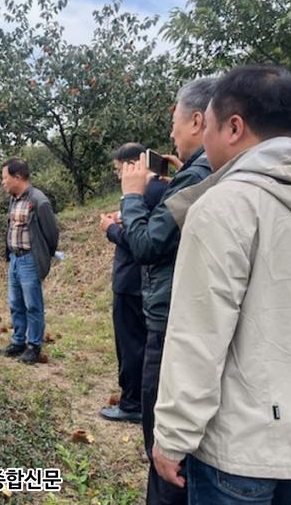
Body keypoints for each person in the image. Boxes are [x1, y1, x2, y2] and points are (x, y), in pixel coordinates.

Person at [152, 65, 291, 504]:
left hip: (239, 449)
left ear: (233, 127)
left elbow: (198, 334)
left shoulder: (225, 205)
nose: (204, 139)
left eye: (208, 125)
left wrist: (173, 435)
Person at [119, 77, 217, 504]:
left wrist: (131, 197)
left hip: (172, 319)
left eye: (175, 122)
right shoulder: (209, 173)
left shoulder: (197, 178)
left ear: (196, 121)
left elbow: (146, 245)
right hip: (197, 314)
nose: (171, 133)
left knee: (164, 444)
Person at [98, 143, 167, 424]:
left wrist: (111, 229)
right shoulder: (162, 189)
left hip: (131, 280)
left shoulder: (146, 192)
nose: (119, 176)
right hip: (147, 282)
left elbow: (140, 240)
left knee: (130, 344)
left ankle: (131, 403)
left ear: (131, 165)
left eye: (119, 170)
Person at [0, 158, 59, 365]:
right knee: (15, 303)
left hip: (29, 260)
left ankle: (34, 346)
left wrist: (43, 255)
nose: (3, 182)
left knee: (33, 304)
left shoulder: (39, 201)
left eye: (5, 178)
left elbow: (52, 234)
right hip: (14, 259)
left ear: (17, 177)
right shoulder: (14, 199)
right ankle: (18, 342)